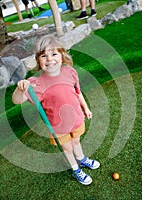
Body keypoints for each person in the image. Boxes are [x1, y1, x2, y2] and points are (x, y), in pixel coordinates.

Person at [12, 35, 100, 185]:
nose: (49, 59)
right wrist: (20, 89)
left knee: (76, 141)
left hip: (77, 118)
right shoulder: (35, 83)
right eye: (44, 56)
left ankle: (82, 159)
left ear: (62, 55)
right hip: (59, 126)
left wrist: (85, 107)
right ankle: (76, 169)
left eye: (54, 54)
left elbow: (77, 92)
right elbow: (17, 100)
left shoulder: (70, 71)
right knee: (67, 148)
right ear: (38, 60)